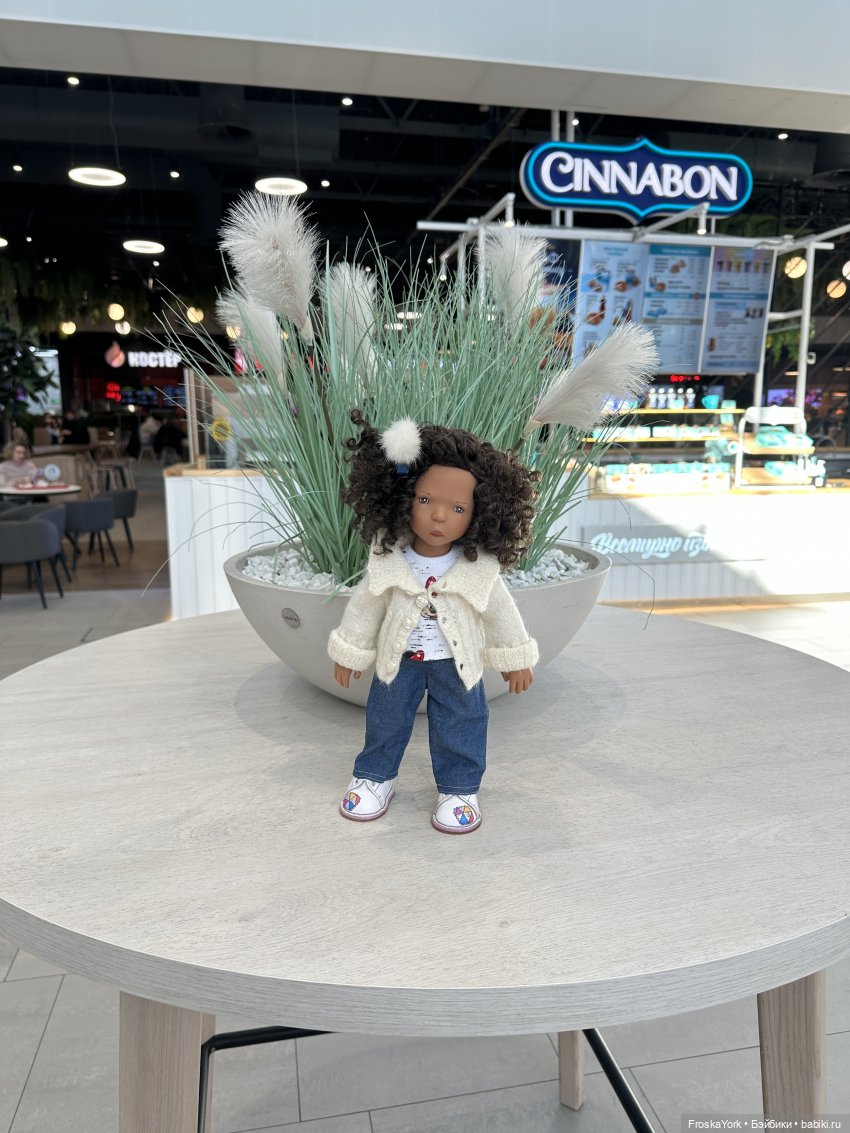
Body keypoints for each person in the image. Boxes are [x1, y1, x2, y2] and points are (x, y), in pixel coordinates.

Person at [328, 410, 539, 835]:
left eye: (458, 507)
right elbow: (367, 605)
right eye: (425, 501)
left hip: (457, 664)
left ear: (479, 513)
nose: (440, 516)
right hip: (399, 660)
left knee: (462, 723)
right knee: (385, 720)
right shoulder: (388, 557)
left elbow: (500, 611)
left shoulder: (479, 567)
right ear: (402, 496)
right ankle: (374, 777)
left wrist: (515, 658)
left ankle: (459, 789)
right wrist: (351, 650)